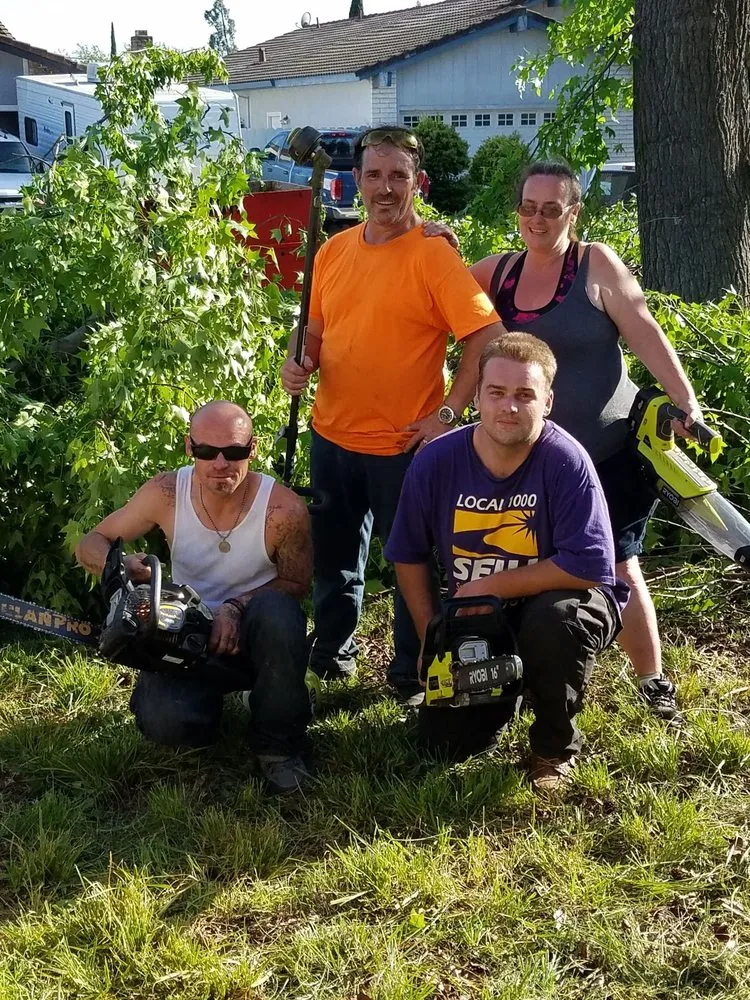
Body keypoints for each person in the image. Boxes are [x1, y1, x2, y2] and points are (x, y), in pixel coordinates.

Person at [427, 161, 702, 720]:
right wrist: (430, 241)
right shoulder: (498, 272)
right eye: (528, 207)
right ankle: (531, 676)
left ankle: (653, 683)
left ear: (574, 213)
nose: (537, 218)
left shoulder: (594, 264)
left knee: (618, 566)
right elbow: (434, 290)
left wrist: (686, 401)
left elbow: (645, 331)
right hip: (526, 466)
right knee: (526, 565)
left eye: (552, 208)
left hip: (605, 455)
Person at [281, 125, 505, 702]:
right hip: (330, 435)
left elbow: (487, 336)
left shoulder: (433, 255)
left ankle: (411, 671)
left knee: (412, 564)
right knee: (335, 561)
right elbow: (314, 328)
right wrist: (297, 360)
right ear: (355, 180)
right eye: (374, 175)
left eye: (397, 176)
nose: (385, 188)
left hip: (404, 448)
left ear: (417, 183)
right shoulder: (333, 249)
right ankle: (332, 656)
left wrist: (450, 414)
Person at [385, 333, 626, 790]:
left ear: (548, 401)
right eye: (496, 393)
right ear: (476, 396)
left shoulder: (566, 461)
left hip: (564, 601)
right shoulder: (436, 461)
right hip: (476, 617)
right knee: (445, 744)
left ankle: (554, 748)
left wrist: (486, 587)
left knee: (554, 624)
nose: (508, 407)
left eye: (524, 395)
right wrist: (429, 637)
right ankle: (512, 687)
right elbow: (408, 554)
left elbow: (587, 564)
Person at [74, 401, 313, 795]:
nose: (220, 463)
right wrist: (120, 563)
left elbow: (296, 584)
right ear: (190, 448)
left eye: (234, 452)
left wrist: (234, 609)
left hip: (256, 629)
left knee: (279, 613)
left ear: (253, 449)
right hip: (186, 631)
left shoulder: (284, 509)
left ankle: (279, 744)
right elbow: (91, 542)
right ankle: (193, 705)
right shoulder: (166, 492)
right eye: (207, 451)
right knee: (168, 726)